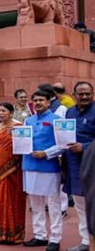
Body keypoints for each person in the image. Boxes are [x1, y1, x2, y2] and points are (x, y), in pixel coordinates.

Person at [22, 91, 63, 251]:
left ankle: (55, 238)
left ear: (48, 102)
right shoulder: (28, 120)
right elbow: (22, 141)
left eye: (41, 100)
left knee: (53, 204)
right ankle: (40, 235)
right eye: (35, 100)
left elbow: (64, 144)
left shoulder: (57, 120)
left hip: (49, 167)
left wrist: (46, 153)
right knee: (35, 203)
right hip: (29, 165)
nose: (38, 103)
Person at [0, 102, 26, 244]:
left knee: (13, 198)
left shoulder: (19, 127)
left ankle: (13, 233)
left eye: (4, 111)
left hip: (14, 168)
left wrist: (16, 135)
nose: (1, 113)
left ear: (11, 113)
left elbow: (25, 146)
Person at [62, 82, 95, 251]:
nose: (84, 97)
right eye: (81, 94)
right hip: (74, 164)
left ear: (93, 94)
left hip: (92, 164)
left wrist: (85, 147)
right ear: (74, 95)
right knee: (80, 205)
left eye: (88, 94)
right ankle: (86, 241)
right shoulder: (70, 112)